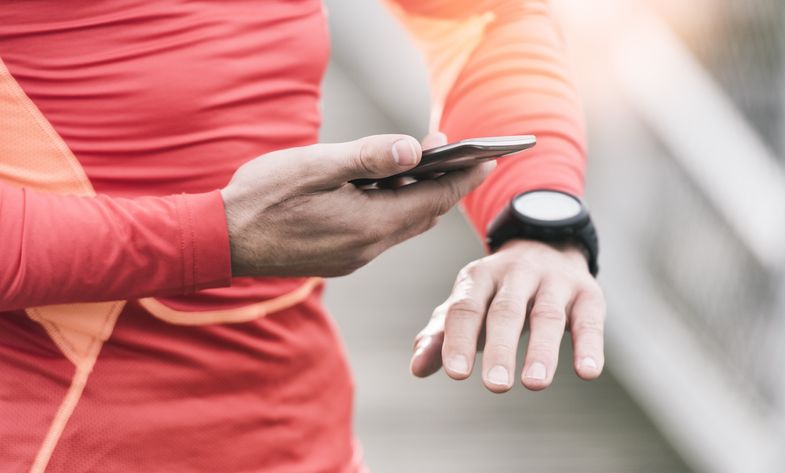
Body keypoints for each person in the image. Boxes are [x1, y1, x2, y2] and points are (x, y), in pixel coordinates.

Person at [0, 0, 606, 471]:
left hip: (301, 436)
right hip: (52, 440)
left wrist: (539, 216)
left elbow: (481, 18)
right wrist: (214, 235)